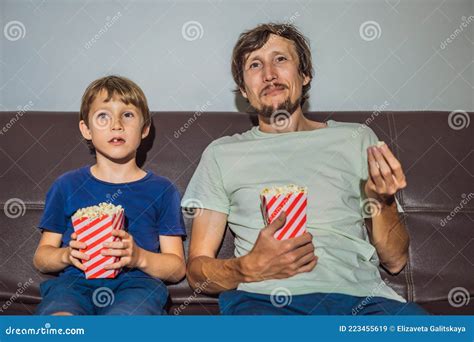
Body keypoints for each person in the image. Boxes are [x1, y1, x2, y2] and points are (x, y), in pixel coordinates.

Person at [182, 23, 427, 315]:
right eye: (255, 64)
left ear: (305, 74)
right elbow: (197, 271)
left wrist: (382, 200)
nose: (269, 74)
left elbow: (395, 260)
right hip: (265, 304)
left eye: (280, 59)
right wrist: (244, 269)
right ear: (245, 90)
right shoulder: (221, 154)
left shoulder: (357, 139)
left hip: (363, 303)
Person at [33, 75, 186, 315]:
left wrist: (139, 258)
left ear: (144, 129)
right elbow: (42, 257)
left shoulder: (162, 190)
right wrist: (66, 255)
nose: (116, 125)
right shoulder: (66, 185)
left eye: (127, 115)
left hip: (137, 285)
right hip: (73, 284)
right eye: (103, 116)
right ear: (86, 129)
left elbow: (176, 268)